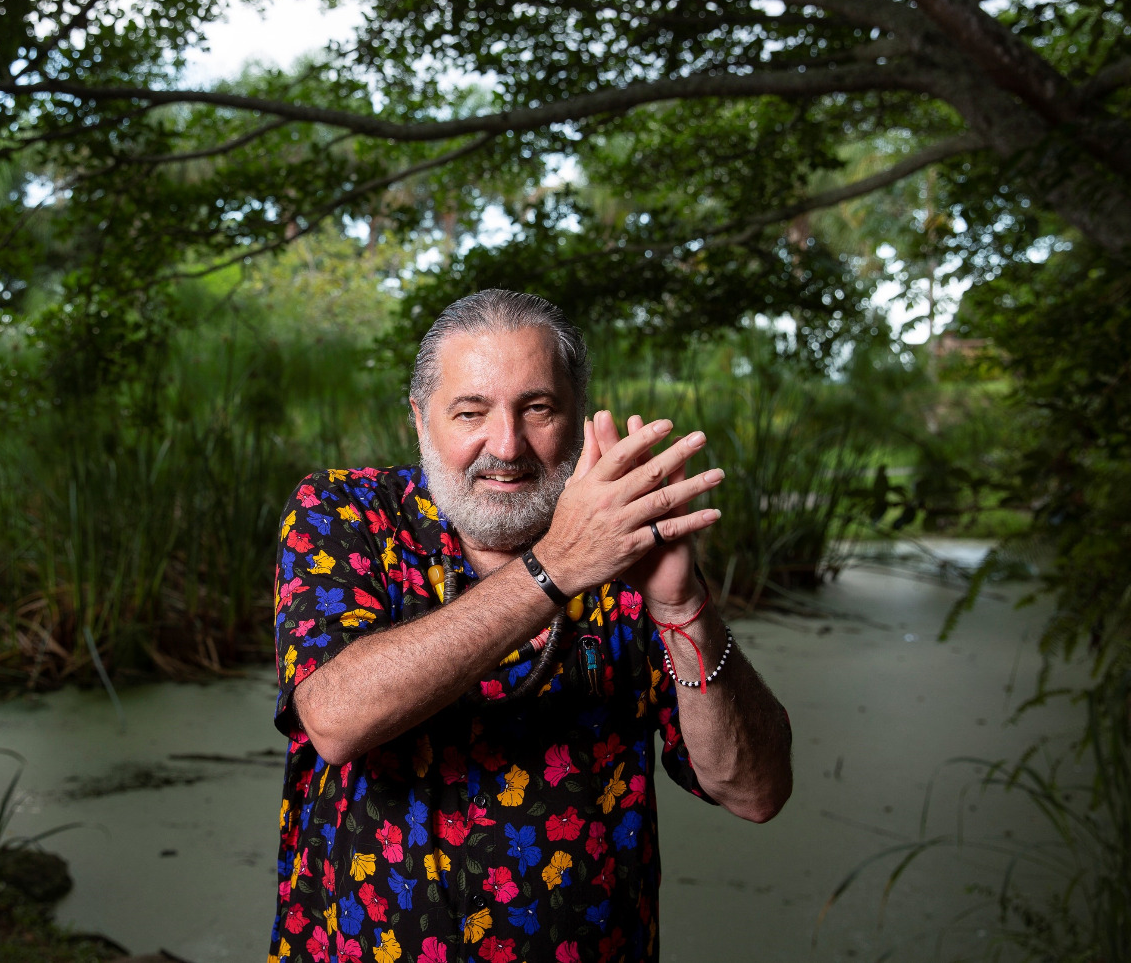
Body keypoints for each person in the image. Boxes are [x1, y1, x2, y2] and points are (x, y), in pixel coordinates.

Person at [267, 290, 792, 963]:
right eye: (471, 412)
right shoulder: (346, 511)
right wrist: (558, 567)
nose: (507, 445)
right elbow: (334, 719)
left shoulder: (624, 541)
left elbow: (755, 790)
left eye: (538, 408)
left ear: (577, 416)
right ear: (420, 419)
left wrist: (682, 604)